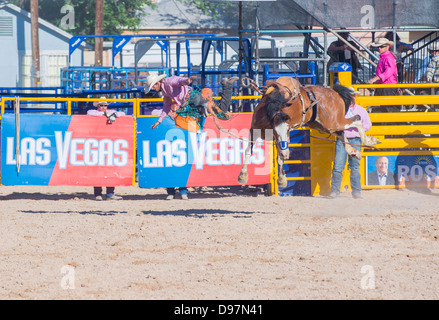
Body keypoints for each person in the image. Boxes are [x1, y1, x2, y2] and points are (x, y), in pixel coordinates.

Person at [146, 74, 237, 200]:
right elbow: (166, 107)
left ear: (157, 83)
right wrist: (159, 121)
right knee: (220, 112)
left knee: (214, 112)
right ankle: (225, 87)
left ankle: (222, 91)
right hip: (191, 102)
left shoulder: (168, 82)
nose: (152, 89)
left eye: (152, 86)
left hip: (192, 99)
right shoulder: (165, 91)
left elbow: (179, 81)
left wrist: (187, 80)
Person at [329, 87, 372, 199]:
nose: (350, 97)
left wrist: (356, 127)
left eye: (351, 95)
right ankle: (335, 191)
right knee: (338, 166)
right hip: (343, 139)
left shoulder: (361, 110)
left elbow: (368, 125)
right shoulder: (340, 109)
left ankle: (356, 192)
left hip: (355, 140)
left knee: (355, 167)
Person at [87, 96, 126, 201]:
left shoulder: (111, 112)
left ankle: (110, 192)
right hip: (98, 144)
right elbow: (90, 113)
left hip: (108, 143)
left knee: (110, 169)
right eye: (101, 105)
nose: (103, 107)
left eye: (105, 105)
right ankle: (98, 193)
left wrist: (111, 114)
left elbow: (121, 114)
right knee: (98, 169)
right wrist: (106, 114)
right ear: (98, 106)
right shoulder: (93, 112)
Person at [368, 37, 399, 112]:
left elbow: (389, 71)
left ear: (388, 47)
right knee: (382, 108)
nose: (379, 48)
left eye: (382, 47)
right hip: (384, 86)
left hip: (387, 87)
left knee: (387, 109)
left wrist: (376, 78)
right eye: (378, 47)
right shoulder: (384, 57)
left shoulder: (388, 57)